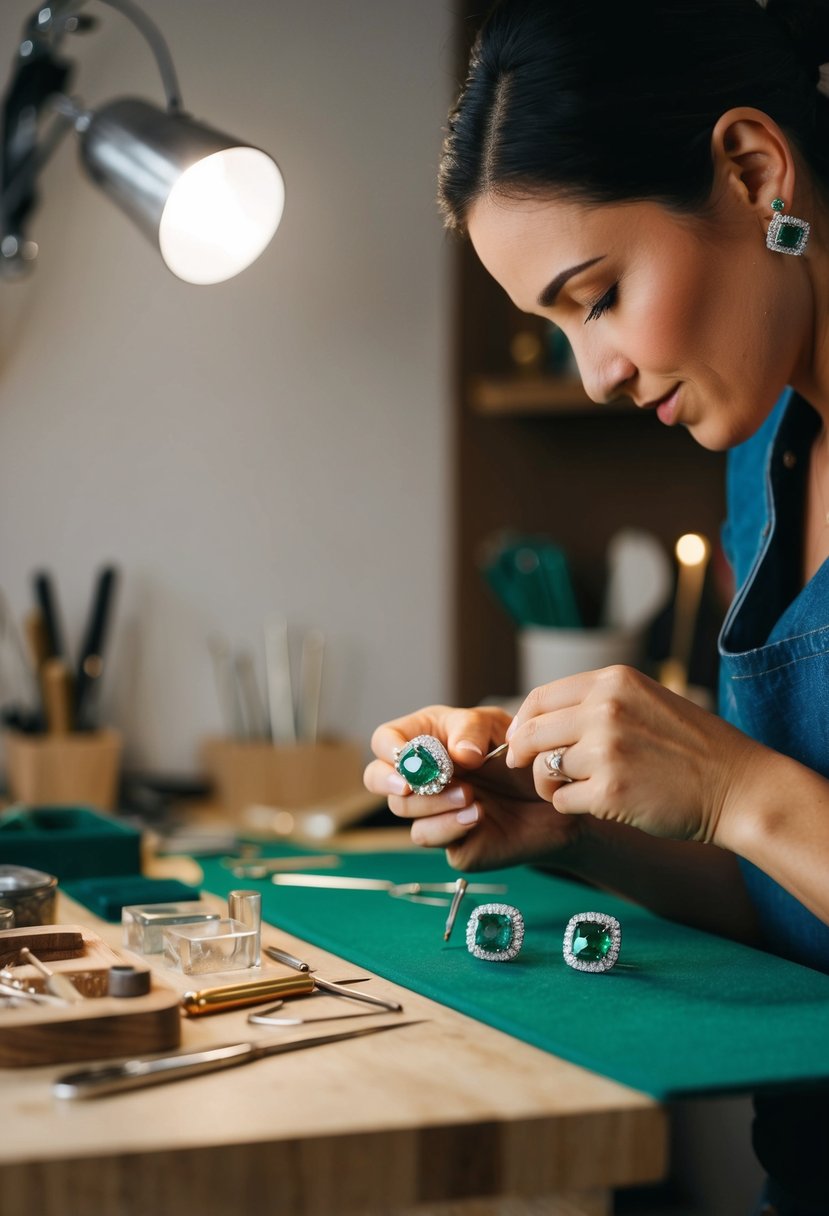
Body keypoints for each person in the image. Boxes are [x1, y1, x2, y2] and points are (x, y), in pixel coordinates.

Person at [363, 2, 829, 1213]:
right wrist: (579, 822)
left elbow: (767, 815)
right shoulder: (763, 447)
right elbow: (786, 893)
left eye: (599, 293)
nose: (599, 374)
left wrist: (736, 786)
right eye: (559, 326)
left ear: (749, 170)